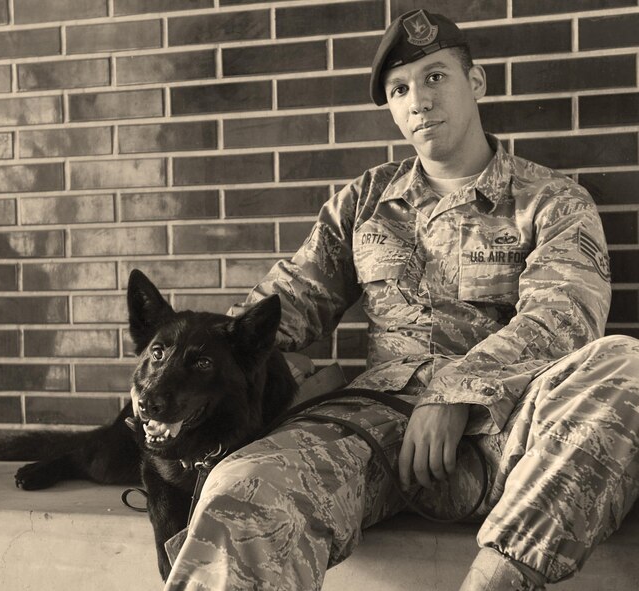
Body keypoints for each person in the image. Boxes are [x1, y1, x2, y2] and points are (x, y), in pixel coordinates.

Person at [162, 9, 639, 591]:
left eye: (436, 77)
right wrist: (189, 371)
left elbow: (565, 318)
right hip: (374, 428)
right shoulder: (364, 202)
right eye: (400, 88)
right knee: (245, 485)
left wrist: (456, 392)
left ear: (477, 82)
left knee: (626, 367)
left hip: (510, 429)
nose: (419, 100)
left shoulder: (553, 201)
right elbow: (288, 300)